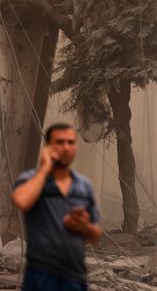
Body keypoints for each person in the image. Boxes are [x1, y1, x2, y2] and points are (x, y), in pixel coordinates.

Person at [12, 123, 102, 291]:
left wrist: (85, 227)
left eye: (70, 142)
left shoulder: (83, 186)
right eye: (60, 142)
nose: (66, 148)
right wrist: (45, 168)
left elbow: (95, 234)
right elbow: (21, 200)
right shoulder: (31, 180)